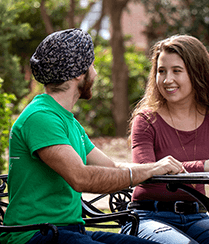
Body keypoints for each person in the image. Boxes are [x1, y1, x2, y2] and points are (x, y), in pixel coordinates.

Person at [0, 29, 185, 244]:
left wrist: (156, 166)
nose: (95, 73)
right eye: (92, 65)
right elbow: (81, 178)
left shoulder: (67, 121)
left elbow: (111, 168)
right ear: (79, 73)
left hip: (69, 230)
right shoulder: (40, 117)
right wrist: (150, 169)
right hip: (34, 235)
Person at [121, 35, 209, 244]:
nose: (167, 79)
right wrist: (204, 165)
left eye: (176, 71)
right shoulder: (146, 120)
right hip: (148, 216)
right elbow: (145, 170)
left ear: (197, 73)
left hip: (197, 215)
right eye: (161, 71)